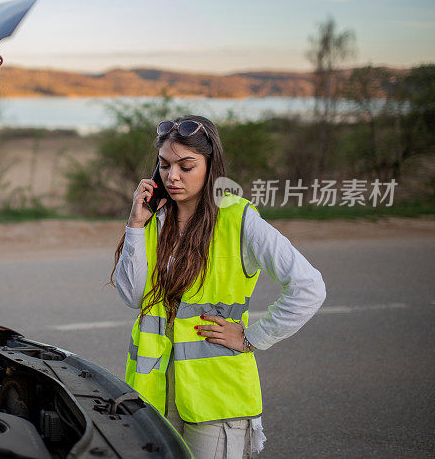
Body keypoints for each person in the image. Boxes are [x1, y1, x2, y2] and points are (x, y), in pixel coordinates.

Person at [111, 115, 326, 458]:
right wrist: (136, 224)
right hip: (157, 393)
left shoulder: (238, 219)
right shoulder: (155, 219)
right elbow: (134, 296)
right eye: (164, 166)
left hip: (216, 398)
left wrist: (252, 337)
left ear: (211, 167)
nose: (173, 176)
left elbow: (308, 286)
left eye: (186, 166)